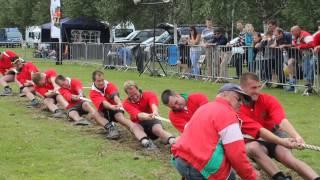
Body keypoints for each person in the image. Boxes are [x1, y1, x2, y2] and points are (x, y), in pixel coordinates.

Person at [239, 72, 320, 180]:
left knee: (288, 159)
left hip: (274, 134)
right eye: (253, 88)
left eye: (259, 87)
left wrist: (297, 136)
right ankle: (280, 177)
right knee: (253, 148)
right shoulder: (237, 108)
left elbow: (281, 119)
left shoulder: (268, 99)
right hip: (253, 140)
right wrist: (283, 142)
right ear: (242, 88)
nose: (257, 91)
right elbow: (260, 131)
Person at [171, 83, 258, 179]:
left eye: (243, 101)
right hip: (202, 167)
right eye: (239, 99)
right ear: (224, 94)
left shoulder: (204, 108)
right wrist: (251, 176)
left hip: (179, 159)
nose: (241, 104)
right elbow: (237, 155)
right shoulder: (228, 115)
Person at [89, 70, 157, 150]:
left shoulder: (110, 85)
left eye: (102, 80)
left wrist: (119, 103)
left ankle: (137, 131)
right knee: (94, 114)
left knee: (120, 117)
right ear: (94, 81)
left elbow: (115, 96)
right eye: (98, 81)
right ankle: (111, 128)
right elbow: (103, 103)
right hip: (104, 110)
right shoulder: (92, 92)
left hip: (116, 108)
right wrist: (111, 106)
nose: (101, 83)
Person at [55, 75, 120, 139]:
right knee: (71, 113)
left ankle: (96, 115)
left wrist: (80, 94)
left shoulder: (74, 81)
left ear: (66, 80)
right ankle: (80, 120)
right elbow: (67, 95)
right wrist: (72, 97)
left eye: (63, 84)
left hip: (81, 102)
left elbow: (79, 88)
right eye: (61, 85)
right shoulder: (61, 89)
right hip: (72, 106)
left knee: (86, 104)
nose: (63, 86)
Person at [122, 80, 176, 148]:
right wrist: (147, 116)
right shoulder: (126, 103)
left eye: (136, 94)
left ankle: (173, 141)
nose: (135, 97)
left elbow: (153, 104)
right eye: (131, 96)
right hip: (139, 124)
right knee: (134, 126)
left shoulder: (149, 94)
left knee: (157, 129)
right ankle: (147, 143)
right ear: (127, 94)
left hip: (153, 121)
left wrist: (155, 112)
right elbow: (138, 115)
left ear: (138, 89)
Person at [291, 25, 314, 92]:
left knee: (308, 70)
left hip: (311, 54)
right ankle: (308, 87)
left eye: (292, 31)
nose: (291, 33)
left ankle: (309, 87)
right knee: (305, 70)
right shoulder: (295, 36)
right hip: (305, 55)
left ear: (298, 30)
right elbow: (294, 44)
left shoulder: (305, 35)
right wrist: (298, 45)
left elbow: (312, 44)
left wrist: (301, 46)